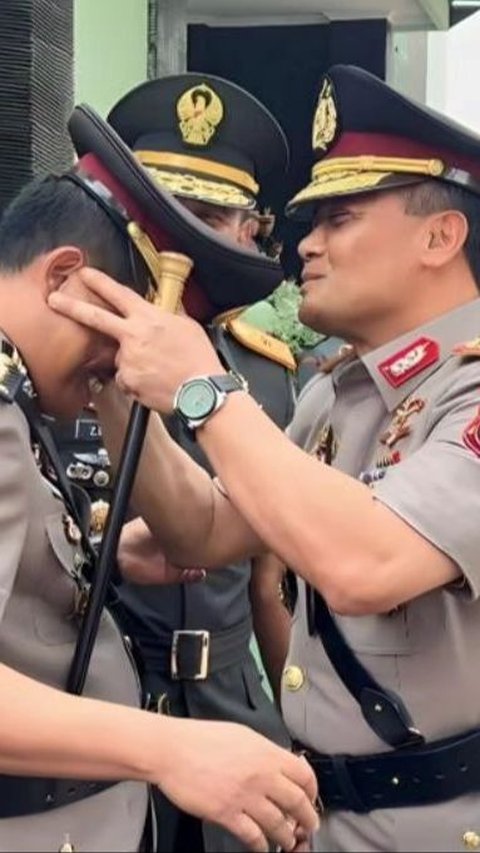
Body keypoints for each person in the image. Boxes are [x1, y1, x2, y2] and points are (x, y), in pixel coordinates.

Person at [49, 63, 480, 853]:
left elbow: (366, 563)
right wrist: (116, 386)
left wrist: (204, 390)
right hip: (324, 814)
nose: (305, 245)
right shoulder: (340, 391)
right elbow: (205, 531)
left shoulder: (470, 391)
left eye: (339, 219)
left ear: (440, 235)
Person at [0, 128, 319, 850]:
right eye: (124, 331)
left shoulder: (25, 398)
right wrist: (172, 747)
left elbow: (200, 533)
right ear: (62, 278)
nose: (126, 364)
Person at [102, 74, 297, 853]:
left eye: (216, 217)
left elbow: (269, 581)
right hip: (100, 716)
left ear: (252, 231)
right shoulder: (61, 362)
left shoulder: (273, 373)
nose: (189, 241)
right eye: (166, 213)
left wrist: (299, 727)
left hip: (236, 711)